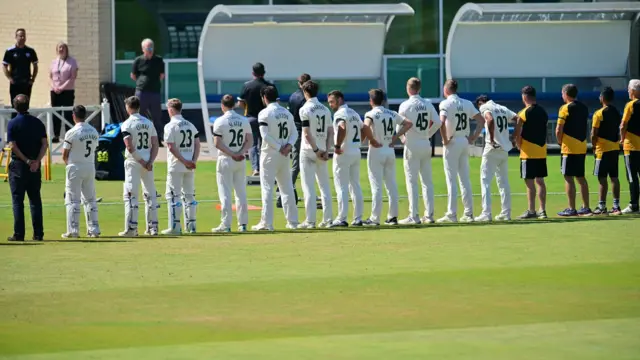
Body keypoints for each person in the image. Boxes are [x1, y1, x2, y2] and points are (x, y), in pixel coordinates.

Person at [362, 89, 413, 226]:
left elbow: (365, 126)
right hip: (389, 149)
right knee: (391, 184)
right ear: (383, 100)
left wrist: (371, 139)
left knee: (376, 185)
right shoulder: (391, 113)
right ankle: (393, 216)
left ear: (371, 101)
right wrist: (395, 137)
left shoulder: (370, 113)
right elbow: (408, 123)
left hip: (376, 150)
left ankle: (375, 218)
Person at [437, 79, 484, 223]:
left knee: (451, 179)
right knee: (465, 178)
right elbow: (481, 120)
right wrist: (473, 137)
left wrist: (444, 140)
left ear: (446, 90)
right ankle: (468, 213)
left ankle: (452, 214)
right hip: (464, 140)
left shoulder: (445, 103)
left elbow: (441, 122)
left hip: (452, 141)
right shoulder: (467, 103)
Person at [252, 86, 299, 231]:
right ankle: (293, 222)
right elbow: (295, 133)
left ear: (264, 98)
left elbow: (265, 136)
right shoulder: (287, 112)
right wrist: (288, 146)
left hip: (270, 154)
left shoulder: (264, 113)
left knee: (267, 188)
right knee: (287, 188)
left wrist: (279, 147)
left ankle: (267, 223)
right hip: (284, 155)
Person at [397, 77, 441, 225]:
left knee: (412, 181)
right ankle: (429, 215)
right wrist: (427, 134)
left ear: (408, 89)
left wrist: (402, 137)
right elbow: (438, 122)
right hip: (424, 143)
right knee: (427, 181)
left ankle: (414, 215)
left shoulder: (405, 105)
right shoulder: (427, 104)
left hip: (412, 143)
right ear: (419, 88)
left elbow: (399, 126)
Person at [6, 94, 47, 241]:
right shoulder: (38, 123)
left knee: (18, 201)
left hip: (19, 165)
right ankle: (38, 233)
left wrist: (27, 160)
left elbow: (13, 145)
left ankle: (19, 233)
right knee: (35, 200)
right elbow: (44, 144)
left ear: (14, 106)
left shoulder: (12, 124)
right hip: (34, 167)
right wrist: (36, 161)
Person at [118, 96, 160, 236]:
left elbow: (129, 147)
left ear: (128, 108)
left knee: (131, 194)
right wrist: (150, 162)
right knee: (150, 194)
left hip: (134, 162)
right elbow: (155, 144)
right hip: (148, 161)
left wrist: (141, 162)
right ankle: (153, 228)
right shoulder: (149, 122)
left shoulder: (127, 124)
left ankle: (131, 228)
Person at [211, 95, 253, 233]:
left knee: (225, 193)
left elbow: (217, 143)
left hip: (226, 159)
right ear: (234, 105)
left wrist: (232, 153)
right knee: (241, 193)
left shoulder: (220, 121)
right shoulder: (243, 120)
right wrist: (240, 152)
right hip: (240, 160)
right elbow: (249, 141)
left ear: (222, 106)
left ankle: (226, 224)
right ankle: (243, 224)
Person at [475, 95, 518, 222]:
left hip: (492, 148)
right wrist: (514, 137)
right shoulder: (503, 108)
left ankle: (486, 213)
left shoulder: (484, 106)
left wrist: (492, 139)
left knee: (485, 181)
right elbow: (519, 119)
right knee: (503, 182)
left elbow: (490, 119)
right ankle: (506, 212)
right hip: (504, 149)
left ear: (480, 103)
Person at [297, 80, 333, 229]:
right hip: (323, 149)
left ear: (305, 92)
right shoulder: (325, 109)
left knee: (308, 186)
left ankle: (310, 221)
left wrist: (315, 150)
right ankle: (328, 219)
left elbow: (306, 133)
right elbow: (331, 131)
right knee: (324, 186)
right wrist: (326, 149)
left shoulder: (304, 109)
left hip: (308, 150)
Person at [161, 98, 200, 235]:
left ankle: (175, 227)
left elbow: (171, 147)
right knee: (189, 195)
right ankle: (192, 226)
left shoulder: (170, 126)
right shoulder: (190, 124)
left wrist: (184, 160)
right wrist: (193, 160)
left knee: (173, 195)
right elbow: (197, 143)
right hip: (190, 165)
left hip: (176, 165)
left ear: (171, 110)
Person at [61, 105, 100, 238]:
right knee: (90, 199)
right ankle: (94, 229)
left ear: (73, 116)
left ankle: (73, 230)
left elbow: (64, 155)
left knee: (73, 200)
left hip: (75, 167)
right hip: (89, 166)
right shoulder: (94, 131)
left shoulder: (71, 132)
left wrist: (70, 165)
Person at [328, 90, 364, 227]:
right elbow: (364, 127)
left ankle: (341, 218)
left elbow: (342, 127)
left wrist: (337, 146)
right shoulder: (354, 113)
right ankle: (358, 218)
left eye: (332, 101)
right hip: (355, 150)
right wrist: (360, 142)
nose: (331, 104)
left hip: (344, 151)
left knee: (341, 186)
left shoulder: (340, 114)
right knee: (355, 185)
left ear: (339, 100)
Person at [556, 84, 592, 216]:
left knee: (568, 177)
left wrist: (560, 142)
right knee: (581, 177)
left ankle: (571, 208)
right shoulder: (584, 107)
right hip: (581, 146)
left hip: (569, 147)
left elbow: (559, 129)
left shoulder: (564, 108)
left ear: (565, 94)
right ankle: (586, 207)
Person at [514, 85, 548, 220]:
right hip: (541, 151)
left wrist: (517, 144)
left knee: (529, 182)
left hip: (527, 152)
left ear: (524, 97)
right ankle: (543, 210)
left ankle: (531, 210)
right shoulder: (543, 111)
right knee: (540, 181)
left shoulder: (523, 112)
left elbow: (517, 132)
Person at [238, 62, 277, 177]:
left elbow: (240, 103)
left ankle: (256, 168)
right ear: (264, 73)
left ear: (253, 73)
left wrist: (247, 108)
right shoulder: (270, 86)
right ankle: (267, 167)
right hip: (267, 119)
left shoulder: (247, 86)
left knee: (253, 145)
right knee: (266, 143)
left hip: (251, 118)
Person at [591, 87, 622, 215]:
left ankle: (602, 206)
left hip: (602, 149)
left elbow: (594, 133)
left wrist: (593, 146)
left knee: (602, 178)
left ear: (602, 98)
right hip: (614, 148)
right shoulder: (616, 112)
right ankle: (616, 206)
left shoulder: (599, 113)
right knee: (614, 177)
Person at [130, 38, 165, 142]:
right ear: (143, 49)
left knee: (156, 116)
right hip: (142, 92)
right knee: (139, 115)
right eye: (148, 48)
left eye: (151, 47)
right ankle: (139, 137)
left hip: (154, 92)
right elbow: (133, 75)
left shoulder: (158, 60)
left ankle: (158, 139)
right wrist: (142, 82)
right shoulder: (138, 60)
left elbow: (162, 75)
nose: (150, 50)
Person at [49, 42, 78, 143]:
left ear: (66, 49)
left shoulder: (72, 61)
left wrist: (61, 87)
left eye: (63, 47)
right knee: (56, 113)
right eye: (59, 48)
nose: (61, 49)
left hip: (67, 91)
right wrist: (54, 87)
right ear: (57, 50)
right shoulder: (53, 62)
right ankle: (56, 135)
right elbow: (51, 77)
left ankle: (68, 135)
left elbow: (73, 77)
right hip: (55, 91)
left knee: (67, 113)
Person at [3, 29, 38, 110]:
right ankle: (14, 122)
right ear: (16, 37)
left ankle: (25, 122)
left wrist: (32, 79)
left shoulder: (30, 51)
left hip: (26, 82)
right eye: (20, 36)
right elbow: (4, 66)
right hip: (15, 83)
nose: (22, 38)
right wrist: (10, 78)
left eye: (24, 36)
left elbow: (35, 65)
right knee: (15, 106)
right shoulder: (10, 51)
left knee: (26, 106)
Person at [287, 73, 311, 192]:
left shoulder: (293, 96)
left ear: (299, 83)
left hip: (295, 129)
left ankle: (289, 186)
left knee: (296, 161)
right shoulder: (307, 98)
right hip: (305, 129)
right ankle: (288, 187)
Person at [620, 79, 640, 214]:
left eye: (629, 88)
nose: (628, 91)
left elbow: (623, 124)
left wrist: (621, 139)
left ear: (633, 90)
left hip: (632, 146)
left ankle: (634, 205)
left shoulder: (630, 105)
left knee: (632, 177)